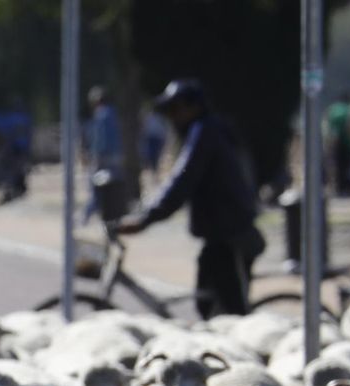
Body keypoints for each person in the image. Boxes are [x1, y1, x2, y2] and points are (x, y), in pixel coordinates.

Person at [116, 78, 265, 319]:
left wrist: (146, 218)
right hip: (219, 231)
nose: (172, 117)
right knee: (207, 303)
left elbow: (182, 180)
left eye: (176, 109)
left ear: (194, 106)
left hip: (229, 233)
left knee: (232, 311)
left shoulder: (205, 131)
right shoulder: (205, 130)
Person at [81, 85, 122, 224]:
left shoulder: (101, 114)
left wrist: (94, 156)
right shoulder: (114, 113)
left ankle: (84, 219)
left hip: (102, 158)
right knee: (113, 193)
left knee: (96, 191)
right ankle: (112, 223)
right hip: (115, 158)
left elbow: (99, 139)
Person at [326, 93, 350, 195]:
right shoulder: (349, 110)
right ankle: (344, 186)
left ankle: (337, 186)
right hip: (346, 142)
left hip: (334, 141)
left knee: (336, 166)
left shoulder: (333, 109)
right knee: (346, 166)